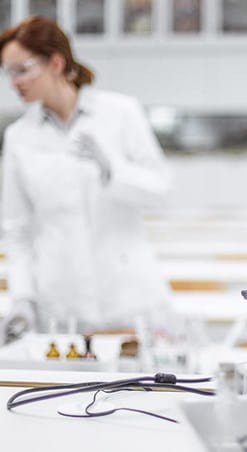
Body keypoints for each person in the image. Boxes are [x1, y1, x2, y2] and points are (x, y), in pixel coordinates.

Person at [0, 16, 171, 340]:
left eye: (21, 69)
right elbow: (17, 232)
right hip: (61, 306)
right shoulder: (18, 137)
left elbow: (160, 192)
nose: (13, 82)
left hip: (130, 300)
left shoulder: (121, 113)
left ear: (56, 62)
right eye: (8, 72)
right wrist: (23, 299)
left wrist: (113, 172)